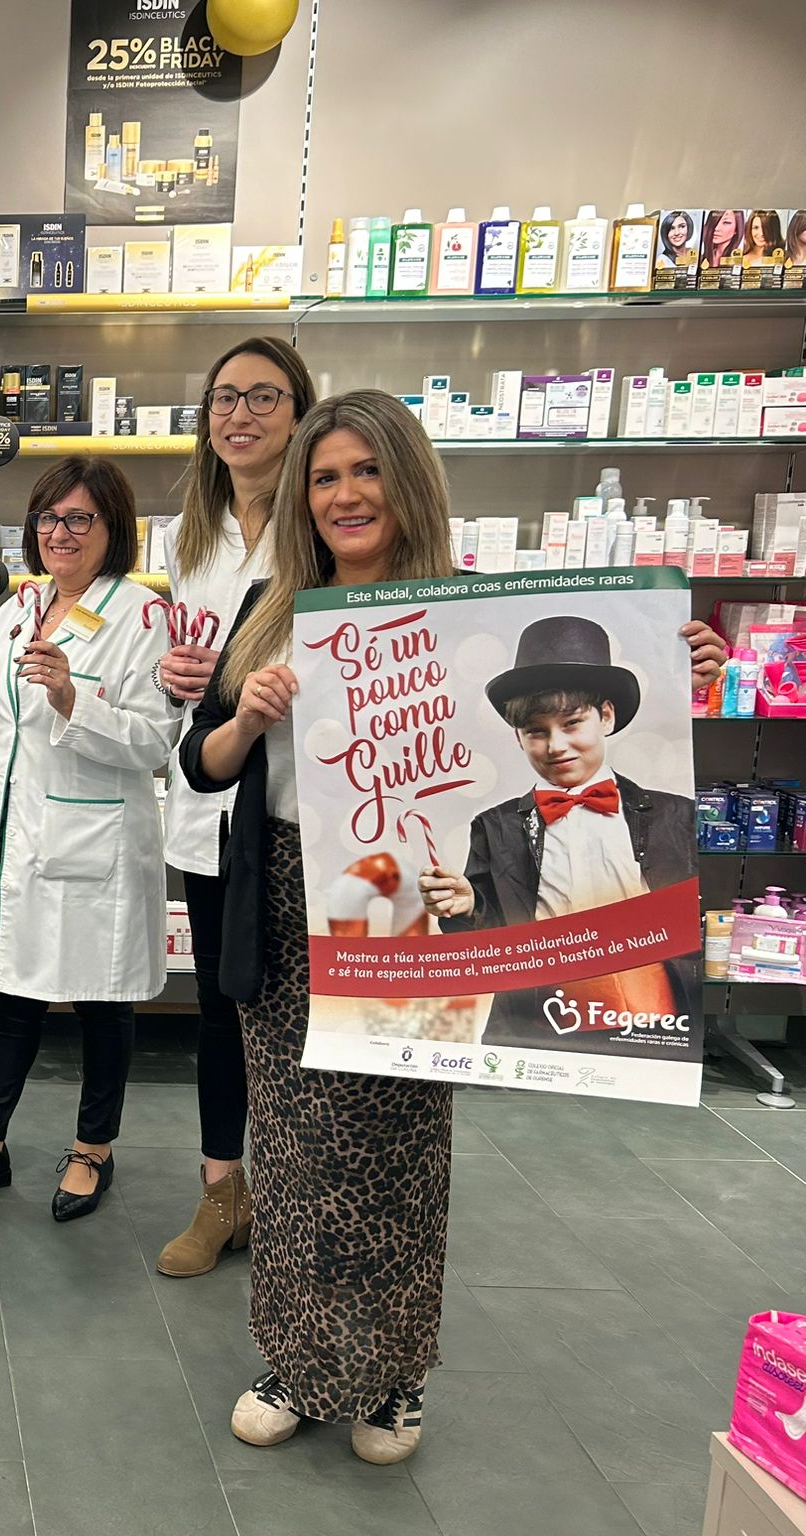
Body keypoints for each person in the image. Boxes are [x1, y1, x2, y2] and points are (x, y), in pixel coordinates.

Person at [180, 390, 723, 1465]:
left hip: (413, 916)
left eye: (364, 471)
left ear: (406, 482)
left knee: (395, 1146)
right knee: (289, 1153)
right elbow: (201, 764)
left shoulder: (466, 609)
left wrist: (680, 677)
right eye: (324, 475)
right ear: (302, 494)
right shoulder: (273, 601)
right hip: (287, 909)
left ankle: (391, 1379)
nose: (343, 494)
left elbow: (542, 757)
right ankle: (293, 1358)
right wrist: (246, 715)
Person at [0, 458, 179, 1222]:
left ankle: (94, 1149)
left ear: (113, 528)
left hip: (96, 846)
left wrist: (72, 698)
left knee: (100, 1001)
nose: (61, 533)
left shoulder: (141, 618)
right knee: (12, 990)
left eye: (80, 519)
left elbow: (155, 743)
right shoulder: (21, 609)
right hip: (14, 837)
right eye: (49, 519)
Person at [151, 336, 314, 1278]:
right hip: (210, 795)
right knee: (219, 1006)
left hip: (300, 814)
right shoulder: (188, 539)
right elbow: (190, 680)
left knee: (292, 1017)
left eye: (264, 397)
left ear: (300, 412)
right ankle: (224, 1192)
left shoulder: (324, 527)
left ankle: (298, 1198)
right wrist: (184, 681)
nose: (240, 416)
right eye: (224, 399)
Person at [418, 616, 698, 1052]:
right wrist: (467, 906)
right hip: (539, 1013)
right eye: (536, 732)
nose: (555, 746)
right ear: (518, 738)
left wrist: (693, 670)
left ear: (606, 716)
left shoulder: (674, 815)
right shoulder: (496, 827)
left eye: (571, 724)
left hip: (653, 1010)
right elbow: (488, 941)